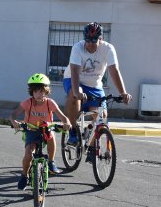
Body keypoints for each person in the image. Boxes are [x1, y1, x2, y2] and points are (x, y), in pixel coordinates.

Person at [63, 22, 132, 156]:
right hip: (73, 79)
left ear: (101, 39)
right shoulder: (77, 47)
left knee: (101, 116)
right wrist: (77, 92)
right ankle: (72, 131)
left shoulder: (108, 48)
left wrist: (123, 92)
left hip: (95, 84)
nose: (90, 44)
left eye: (94, 41)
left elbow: (114, 71)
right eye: (88, 40)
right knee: (74, 95)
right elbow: (75, 71)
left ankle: (91, 145)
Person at [10, 74, 71, 189]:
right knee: (28, 154)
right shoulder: (28, 102)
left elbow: (63, 117)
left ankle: (51, 162)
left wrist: (67, 123)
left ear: (46, 91)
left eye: (42, 91)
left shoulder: (50, 103)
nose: (39, 94)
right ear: (32, 92)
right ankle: (24, 175)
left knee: (51, 134)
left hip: (46, 130)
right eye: (36, 91)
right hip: (31, 130)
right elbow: (13, 114)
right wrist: (14, 122)